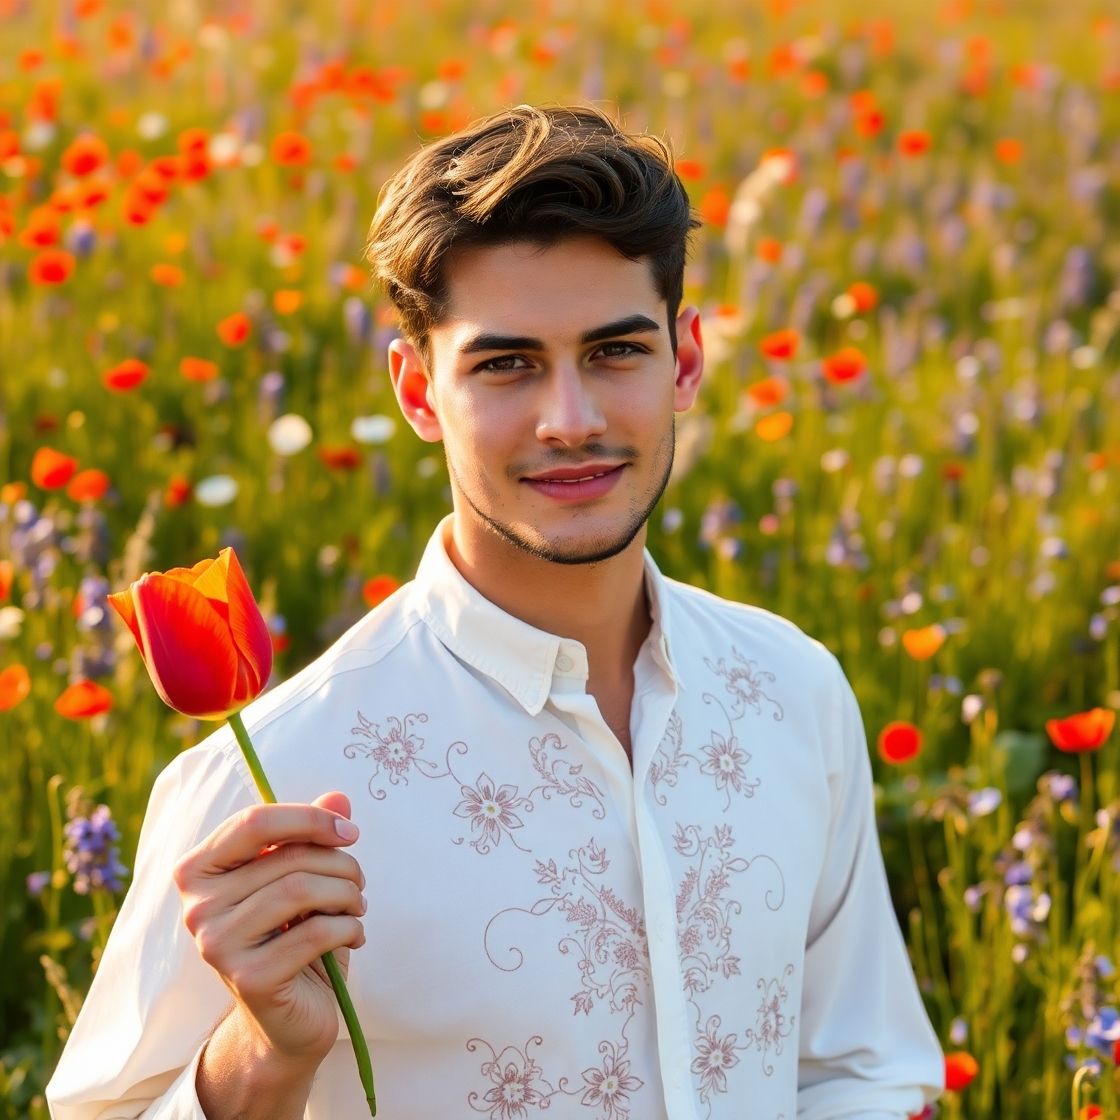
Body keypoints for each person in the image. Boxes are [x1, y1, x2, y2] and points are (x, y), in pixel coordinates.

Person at [47, 104, 943, 1120]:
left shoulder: (790, 691)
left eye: (614, 352)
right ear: (418, 391)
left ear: (685, 360)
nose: (572, 419)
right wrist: (257, 1056)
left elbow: (862, 1067)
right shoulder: (276, 776)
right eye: (505, 364)